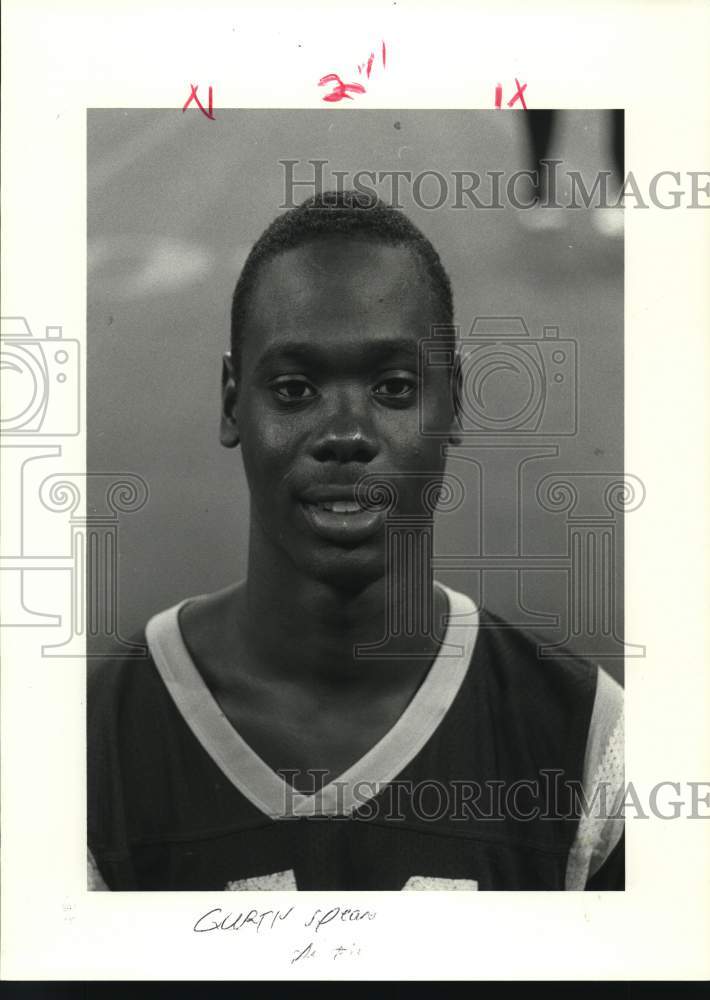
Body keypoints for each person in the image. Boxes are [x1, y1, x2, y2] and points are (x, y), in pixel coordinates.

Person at [88, 191, 624, 892]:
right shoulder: (89, 746)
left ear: (454, 402)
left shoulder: (585, 742)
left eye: (395, 388)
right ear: (230, 402)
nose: (346, 434)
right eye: (295, 389)